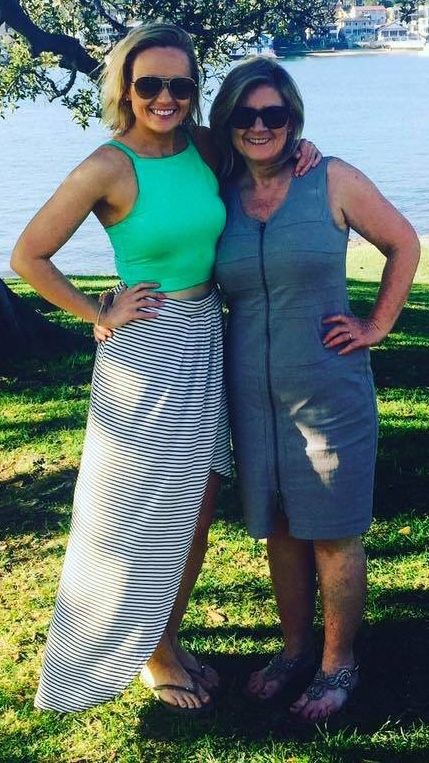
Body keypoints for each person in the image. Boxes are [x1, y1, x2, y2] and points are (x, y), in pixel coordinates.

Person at [11, 24, 319, 714]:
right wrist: (97, 309)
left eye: (180, 85)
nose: (165, 97)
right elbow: (28, 255)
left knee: (196, 510)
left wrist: (304, 149)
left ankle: (164, 638)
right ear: (125, 87)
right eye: (149, 83)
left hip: (206, 334)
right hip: (146, 348)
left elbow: (261, 147)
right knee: (136, 510)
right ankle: (147, 655)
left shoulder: (203, 147)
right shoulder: (106, 166)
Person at [209, 57, 420, 722]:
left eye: (273, 114)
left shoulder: (330, 178)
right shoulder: (218, 192)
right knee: (279, 526)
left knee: (332, 530)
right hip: (251, 397)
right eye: (245, 115)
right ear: (227, 122)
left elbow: (403, 243)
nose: (259, 126)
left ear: (293, 119)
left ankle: (338, 663)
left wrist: (376, 325)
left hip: (329, 391)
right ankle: (295, 649)